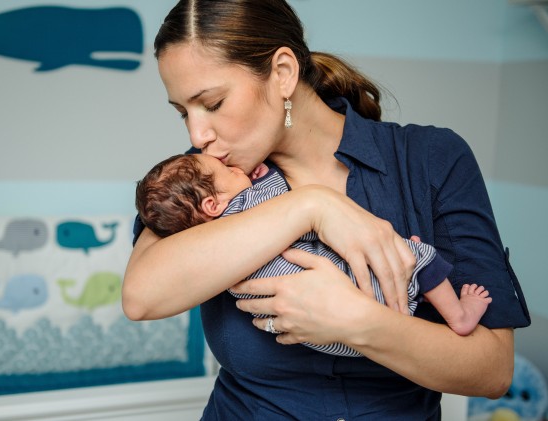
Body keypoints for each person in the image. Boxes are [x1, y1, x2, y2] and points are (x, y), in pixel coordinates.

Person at [122, 0, 531, 419]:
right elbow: (141, 297)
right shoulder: (205, 181)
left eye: (212, 103)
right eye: (182, 113)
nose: (197, 133)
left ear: (282, 73)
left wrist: (358, 322)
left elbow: (492, 370)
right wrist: (311, 206)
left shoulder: (431, 159)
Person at [135, 152, 492, 348]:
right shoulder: (247, 206)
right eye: (225, 169)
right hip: (353, 306)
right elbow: (281, 200)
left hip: (322, 340)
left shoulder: (209, 245)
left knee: (393, 271)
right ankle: (459, 316)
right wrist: (266, 179)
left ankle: (416, 292)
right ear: (213, 204)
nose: (205, 143)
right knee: (415, 259)